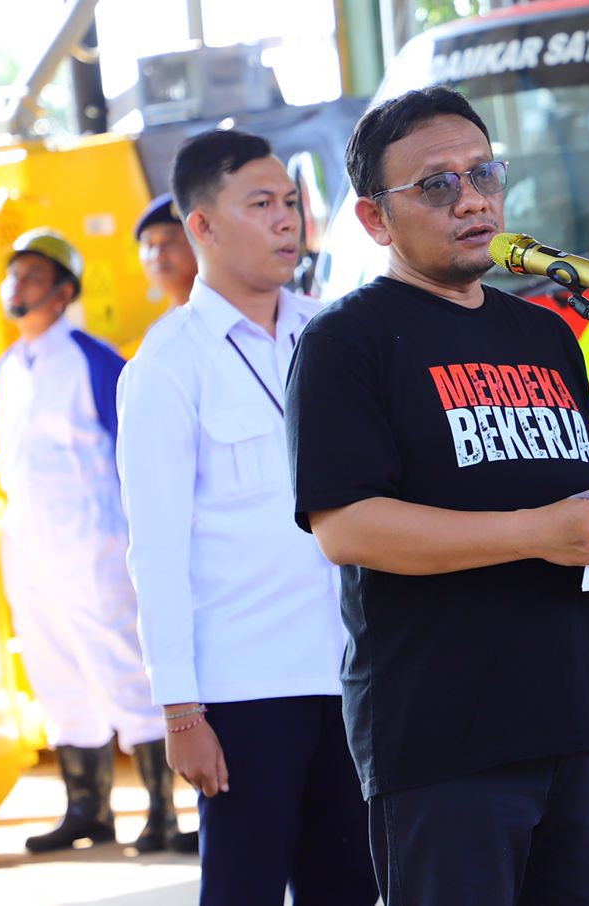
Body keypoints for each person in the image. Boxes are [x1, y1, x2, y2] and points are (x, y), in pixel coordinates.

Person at [285, 86, 589, 906]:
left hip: (571, 721)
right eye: (437, 185)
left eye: (484, 174)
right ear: (375, 220)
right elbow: (348, 526)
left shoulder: (546, 335)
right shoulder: (346, 343)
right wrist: (535, 533)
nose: (472, 199)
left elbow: (564, 492)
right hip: (441, 739)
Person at [115, 130, 376, 906]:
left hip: (353, 674)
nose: (285, 220)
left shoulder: (337, 332)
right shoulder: (166, 366)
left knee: (351, 892)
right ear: (201, 227)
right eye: (260, 205)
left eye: (291, 203)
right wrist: (180, 710)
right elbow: (154, 552)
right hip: (244, 692)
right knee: (243, 892)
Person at [0, 228, 188, 855]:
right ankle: (87, 809)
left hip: (92, 541)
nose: (15, 286)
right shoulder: (5, 370)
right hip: (31, 546)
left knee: (123, 667)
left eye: (31, 276)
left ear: (63, 291)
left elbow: (135, 447)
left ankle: (163, 810)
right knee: (56, 672)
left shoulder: (90, 357)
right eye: (12, 274)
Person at [136, 192, 199, 309]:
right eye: (149, 244)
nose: (157, 255)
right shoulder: (166, 326)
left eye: (169, 241)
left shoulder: (234, 317)